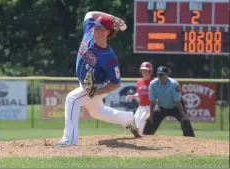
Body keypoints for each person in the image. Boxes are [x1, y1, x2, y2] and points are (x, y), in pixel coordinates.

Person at [54, 11, 138, 146]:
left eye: (99, 27)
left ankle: (69, 140)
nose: (95, 28)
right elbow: (90, 13)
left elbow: (115, 84)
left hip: (97, 86)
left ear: (107, 32)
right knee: (98, 112)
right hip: (86, 84)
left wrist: (96, 92)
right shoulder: (89, 32)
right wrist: (114, 17)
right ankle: (128, 118)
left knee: (72, 99)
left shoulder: (109, 58)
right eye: (95, 26)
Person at [143, 66, 195, 137]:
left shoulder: (174, 84)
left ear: (167, 75)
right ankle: (145, 139)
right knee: (150, 121)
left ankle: (191, 140)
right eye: (159, 75)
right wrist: (151, 115)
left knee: (185, 121)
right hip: (161, 107)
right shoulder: (153, 84)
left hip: (176, 107)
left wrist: (183, 115)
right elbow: (152, 101)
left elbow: (177, 101)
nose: (161, 77)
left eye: (163, 75)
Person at [126, 62, 153, 137]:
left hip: (149, 107)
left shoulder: (153, 82)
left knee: (142, 123)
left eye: (146, 70)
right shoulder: (139, 82)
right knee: (136, 122)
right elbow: (139, 93)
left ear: (150, 71)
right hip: (140, 107)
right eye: (143, 70)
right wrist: (133, 96)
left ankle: (143, 139)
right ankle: (139, 139)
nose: (144, 72)